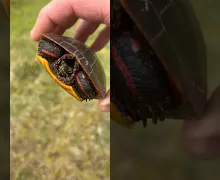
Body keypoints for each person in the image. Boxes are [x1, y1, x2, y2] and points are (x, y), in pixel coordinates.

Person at [30, 0, 220, 159]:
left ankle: (137, 101)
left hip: (163, 65)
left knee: (126, 47)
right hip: (160, 51)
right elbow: (47, 47)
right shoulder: (62, 59)